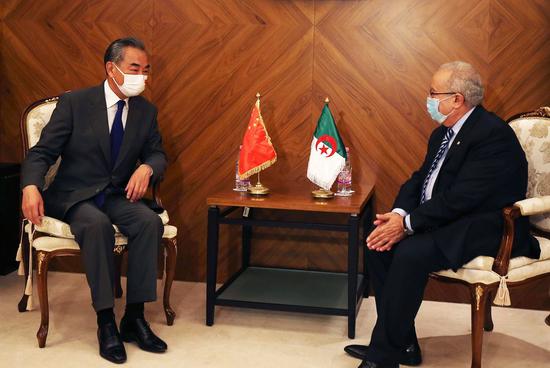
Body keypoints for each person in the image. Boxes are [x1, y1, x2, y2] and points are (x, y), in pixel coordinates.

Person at [344, 61, 540, 368]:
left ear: (457, 99)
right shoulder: (443, 134)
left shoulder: (492, 135)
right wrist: (398, 215)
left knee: (410, 252)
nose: (429, 99)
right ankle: (404, 344)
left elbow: (464, 197)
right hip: (448, 218)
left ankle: (382, 358)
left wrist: (408, 226)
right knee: (378, 244)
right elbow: (419, 179)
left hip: (488, 226)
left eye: (434, 93)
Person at [21, 37, 168, 364]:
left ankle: (134, 317)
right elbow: (42, 153)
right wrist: (30, 186)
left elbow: (157, 153)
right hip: (74, 194)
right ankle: (106, 322)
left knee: (148, 222)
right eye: (134, 68)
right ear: (111, 69)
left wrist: (147, 167)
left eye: (146, 70)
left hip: (116, 194)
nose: (141, 76)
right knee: (98, 225)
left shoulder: (145, 111)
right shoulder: (76, 103)